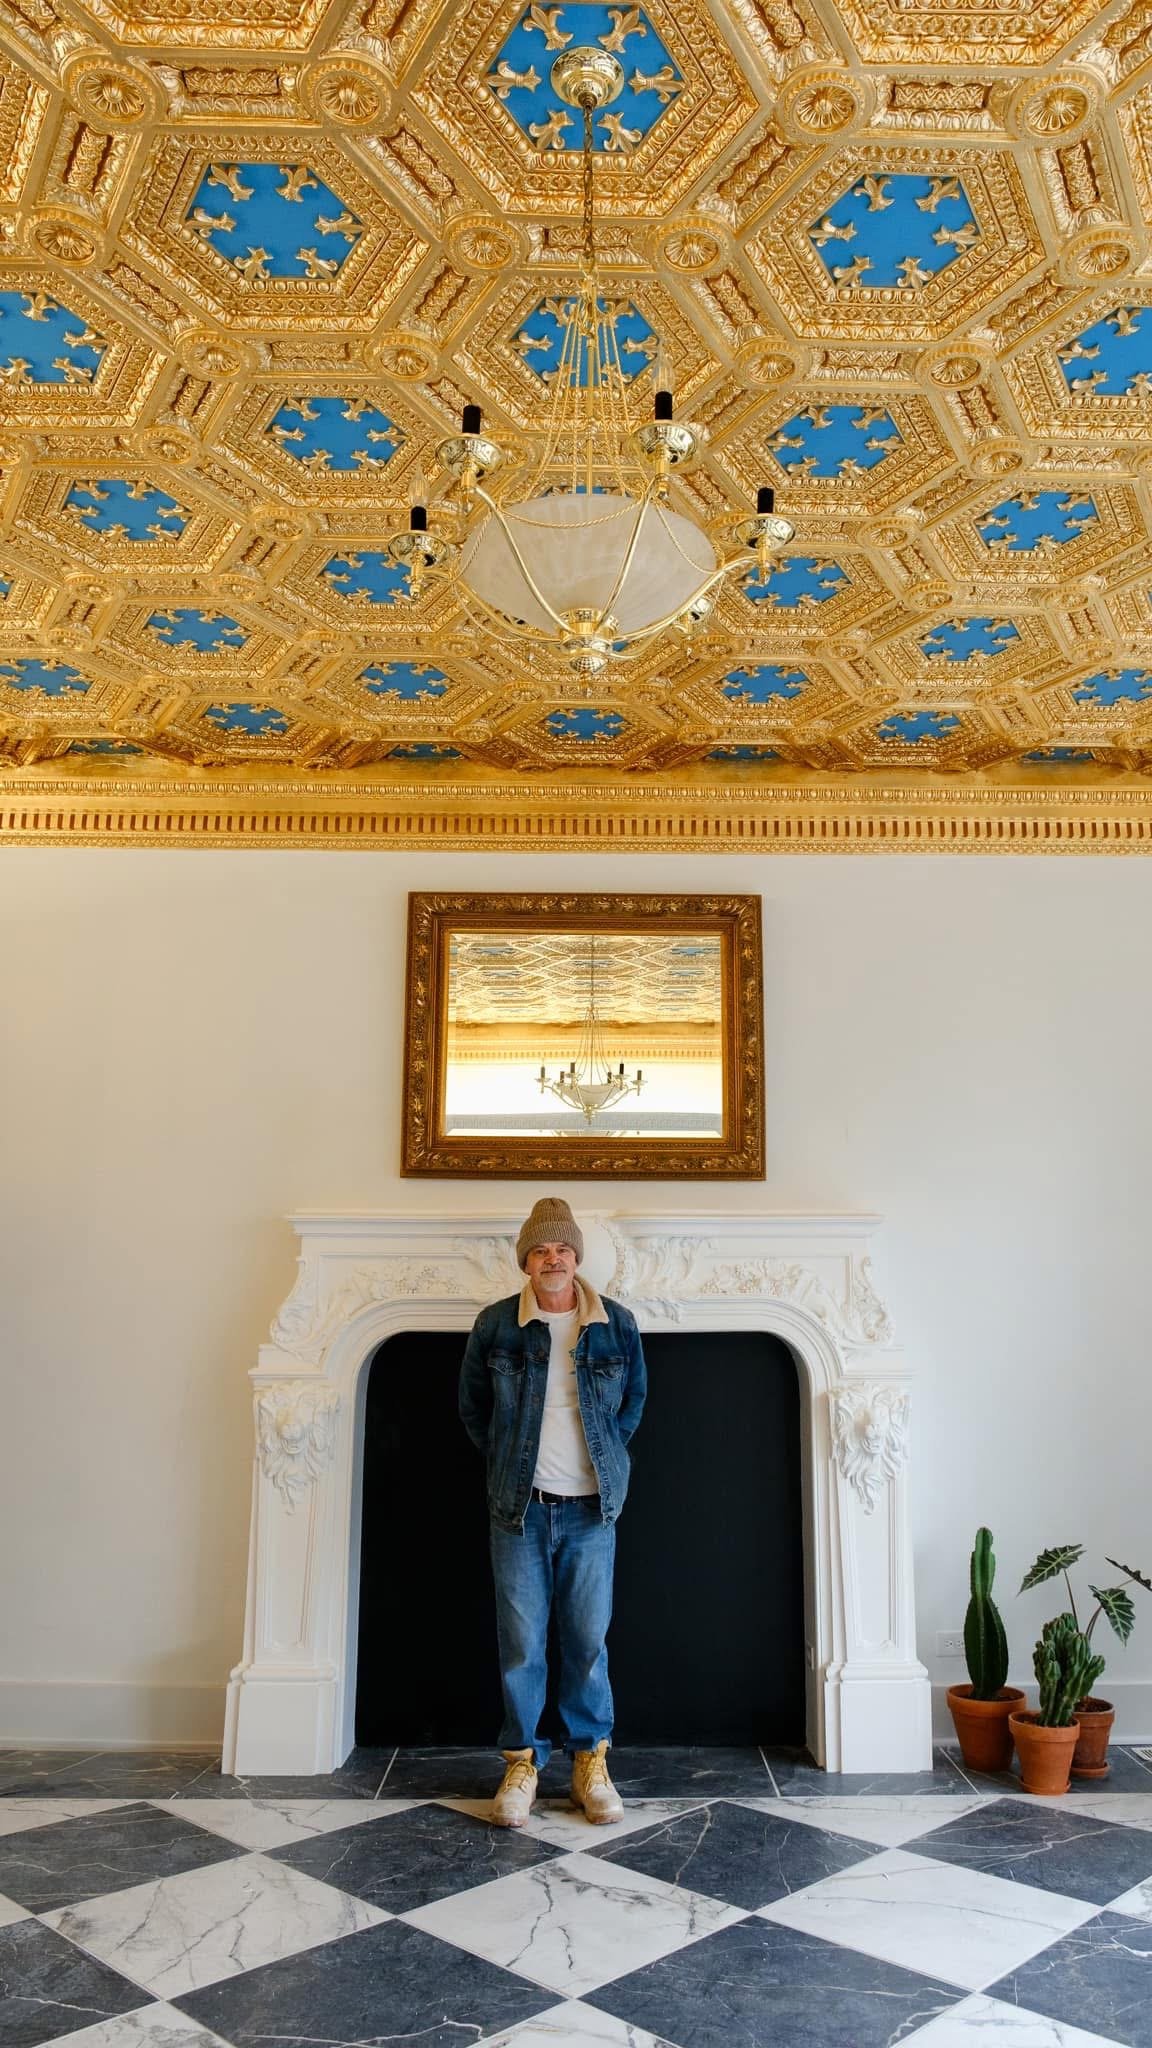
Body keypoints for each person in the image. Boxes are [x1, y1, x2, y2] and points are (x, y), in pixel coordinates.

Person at [458, 1197, 647, 1828]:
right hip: (519, 1512)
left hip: (593, 1511)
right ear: (526, 1262)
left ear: (576, 1257)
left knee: (589, 1642)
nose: (553, 1259)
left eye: (562, 1248)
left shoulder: (616, 1325)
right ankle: (522, 1764)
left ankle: (590, 1763)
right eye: (541, 1250)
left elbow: (633, 1406)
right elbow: (474, 1410)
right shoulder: (496, 1326)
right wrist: (511, 1463)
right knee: (521, 1646)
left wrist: (605, 1459)